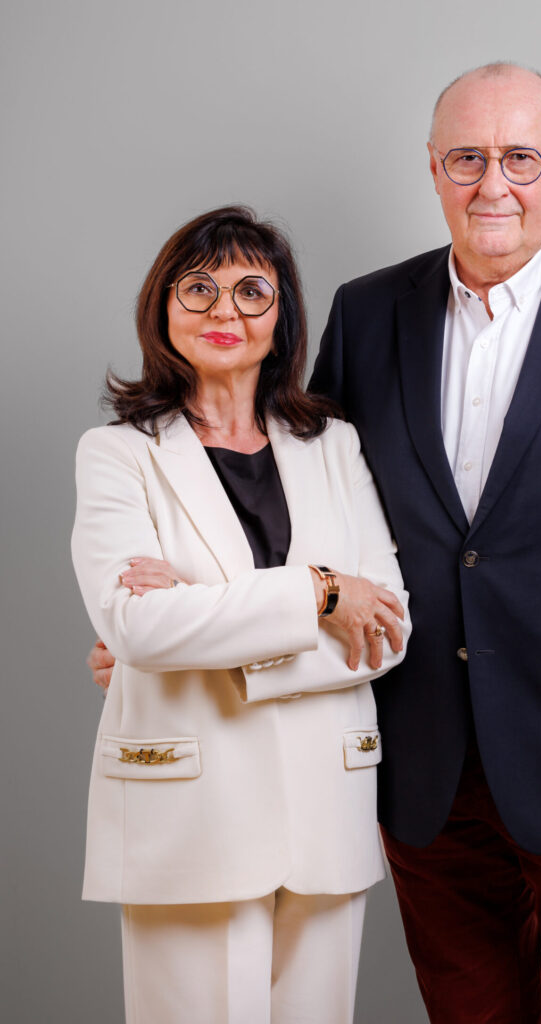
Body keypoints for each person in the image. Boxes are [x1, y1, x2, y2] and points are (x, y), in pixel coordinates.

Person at [90, 65, 541, 1023]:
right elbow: (304, 509)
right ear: (434, 169)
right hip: (423, 763)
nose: (493, 185)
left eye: (520, 158)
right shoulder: (369, 313)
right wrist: (178, 632)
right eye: (467, 159)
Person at [72, 205, 410, 1024]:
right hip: (188, 813)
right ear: (163, 307)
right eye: (199, 288)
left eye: (251, 291)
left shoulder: (333, 444)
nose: (225, 310)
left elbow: (388, 631)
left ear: (281, 317)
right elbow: (137, 629)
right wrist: (321, 594)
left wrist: (202, 623)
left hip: (325, 808)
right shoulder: (117, 453)